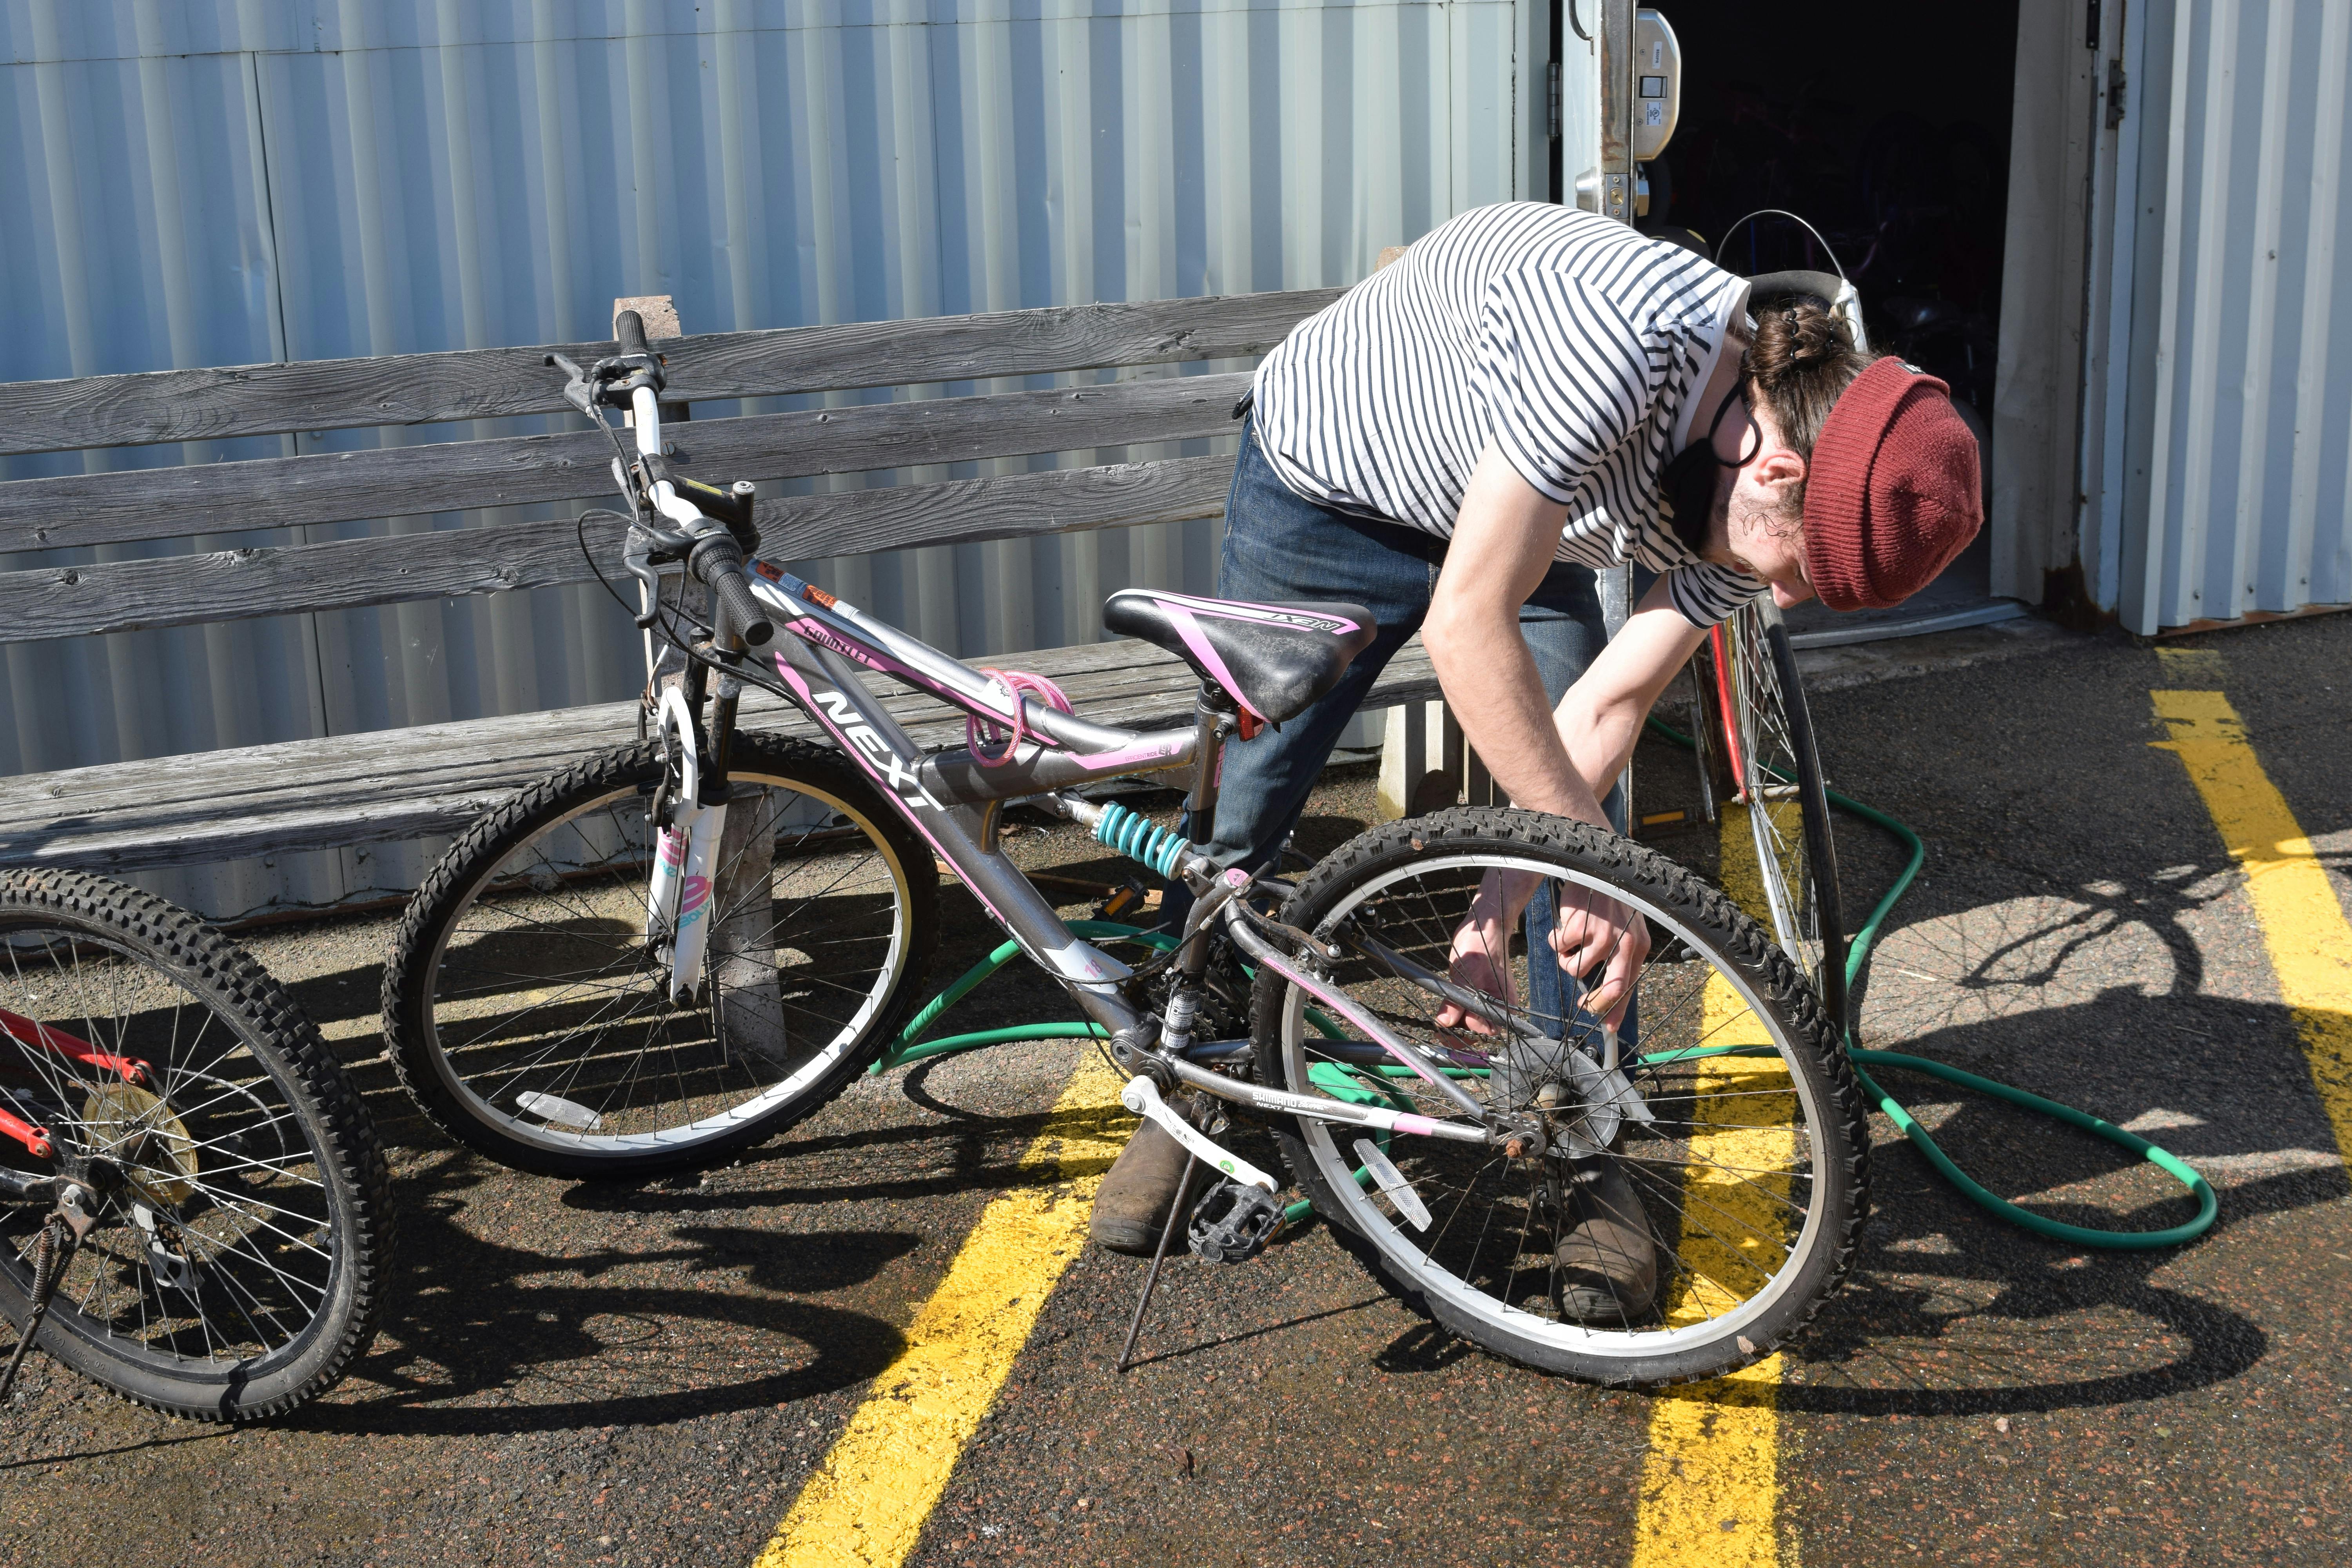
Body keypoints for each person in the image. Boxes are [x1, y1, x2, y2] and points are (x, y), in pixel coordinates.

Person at [1087, 202, 1982, 1318]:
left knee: (1588, 824)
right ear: (1770, 467)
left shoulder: (1772, 473)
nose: (1781, 599)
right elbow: (1468, 623)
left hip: (1525, 512)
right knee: (1252, 806)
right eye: (1799, 572)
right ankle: (1191, 1078)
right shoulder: (1616, 343)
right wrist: (1583, 868)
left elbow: (1604, 710)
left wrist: (1499, 898)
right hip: (1329, 488)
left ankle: (1582, 1130)